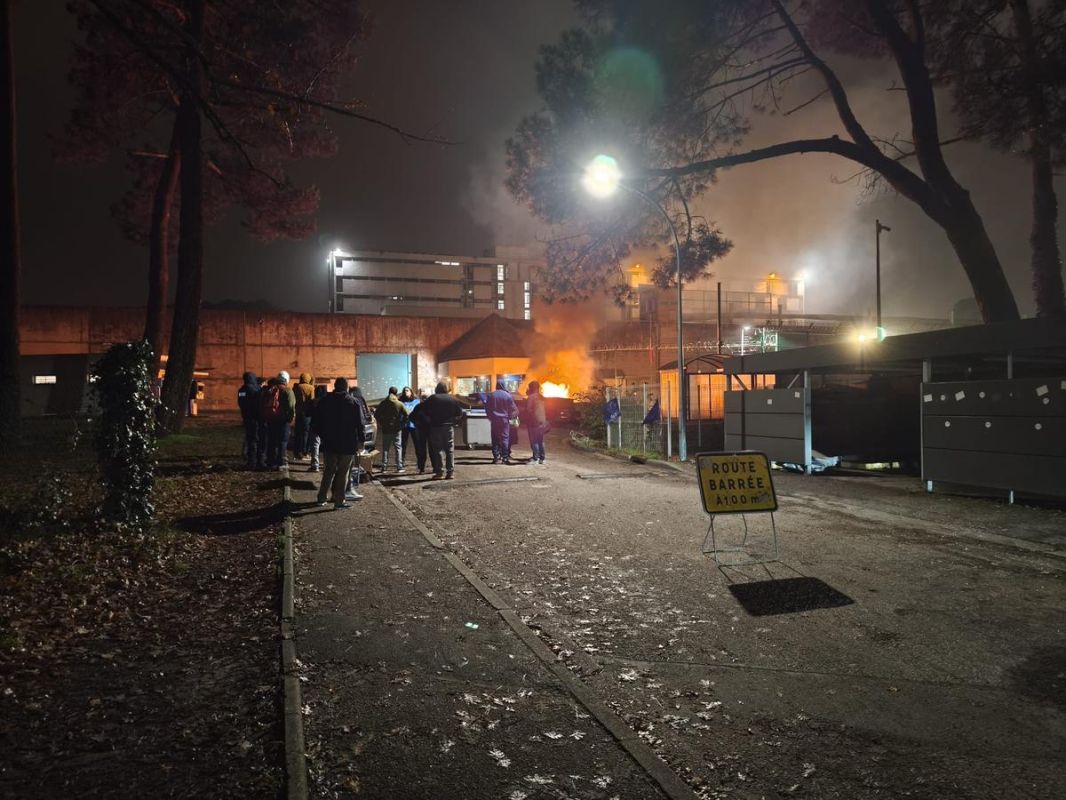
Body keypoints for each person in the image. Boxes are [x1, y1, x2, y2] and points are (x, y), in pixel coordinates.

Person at [313, 377, 364, 509]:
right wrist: (361, 441)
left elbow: (316, 422)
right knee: (343, 472)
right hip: (348, 443)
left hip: (329, 442)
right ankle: (339, 501)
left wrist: (323, 435)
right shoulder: (353, 402)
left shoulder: (325, 401)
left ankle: (321, 498)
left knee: (329, 470)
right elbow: (360, 424)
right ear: (346, 387)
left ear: (335, 386)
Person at [419, 381, 465, 479]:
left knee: (438, 449)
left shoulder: (433, 398)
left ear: (437, 388)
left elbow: (422, 411)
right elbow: (459, 413)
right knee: (450, 450)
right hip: (448, 427)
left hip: (436, 426)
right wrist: (454, 420)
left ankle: (439, 472)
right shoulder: (453, 398)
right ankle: (450, 472)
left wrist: (429, 419)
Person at [263, 371, 297, 470]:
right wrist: (290, 419)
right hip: (283, 420)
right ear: (286, 380)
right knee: (283, 441)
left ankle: (270, 462)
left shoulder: (270, 389)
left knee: (271, 441)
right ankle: (281, 463)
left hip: (271, 419)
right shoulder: (287, 391)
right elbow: (291, 406)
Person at [373, 386, 408, 472]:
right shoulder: (399, 404)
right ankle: (399, 467)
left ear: (388, 392)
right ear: (396, 393)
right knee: (398, 448)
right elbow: (407, 415)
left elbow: (376, 414)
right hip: (397, 429)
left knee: (385, 448)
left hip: (386, 429)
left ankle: (384, 467)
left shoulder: (383, 403)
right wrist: (402, 424)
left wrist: (382, 423)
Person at [485, 379, 518, 464]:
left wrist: (490, 417)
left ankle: (496, 457)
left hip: (494, 420)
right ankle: (505, 458)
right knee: (505, 438)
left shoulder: (491, 395)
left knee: (495, 438)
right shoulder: (508, 396)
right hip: (504, 420)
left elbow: (487, 408)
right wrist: (510, 416)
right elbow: (514, 409)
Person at [237, 371, 262, 470]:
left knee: (249, 438)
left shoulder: (241, 390)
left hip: (246, 417)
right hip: (256, 418)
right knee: (256, 439)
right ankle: (255, 461)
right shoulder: (256, 389)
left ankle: (250, 460)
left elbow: (240, 403)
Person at [399, 386, 425, 471]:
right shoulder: (401, 401)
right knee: (403, 445)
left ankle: (420, 463)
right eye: (404, 391)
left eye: (407, 390)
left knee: (417, 445)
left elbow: (417, 412)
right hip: (404, 426)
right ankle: (401, 462)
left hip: (414, 426)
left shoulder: (416, 401)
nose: (406, 392)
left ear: (411, 392)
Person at [292, 372, 316, 461]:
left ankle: (297, 452)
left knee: (298, 432)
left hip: (298, 413)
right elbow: (312, 401)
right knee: (305, 433)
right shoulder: (311, 388)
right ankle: (304, 452)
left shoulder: (297, 387)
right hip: (307, 414)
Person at [524, 380, 549, 465]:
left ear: (531, 388)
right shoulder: (541, 397)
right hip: (542, 421)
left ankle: (536, 458)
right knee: (540, 440)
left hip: (534, 422)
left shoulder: (531, 397)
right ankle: (542, 458)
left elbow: (528, 410)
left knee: (534, 440)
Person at [307, 384, 328, 472]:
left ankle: (315, 465)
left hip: (315, 425)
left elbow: (307, 413)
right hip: (326, 426)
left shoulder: (313, 401)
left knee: (315, 445)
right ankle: (327, 465)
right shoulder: (328, 401)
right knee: (327, 446)